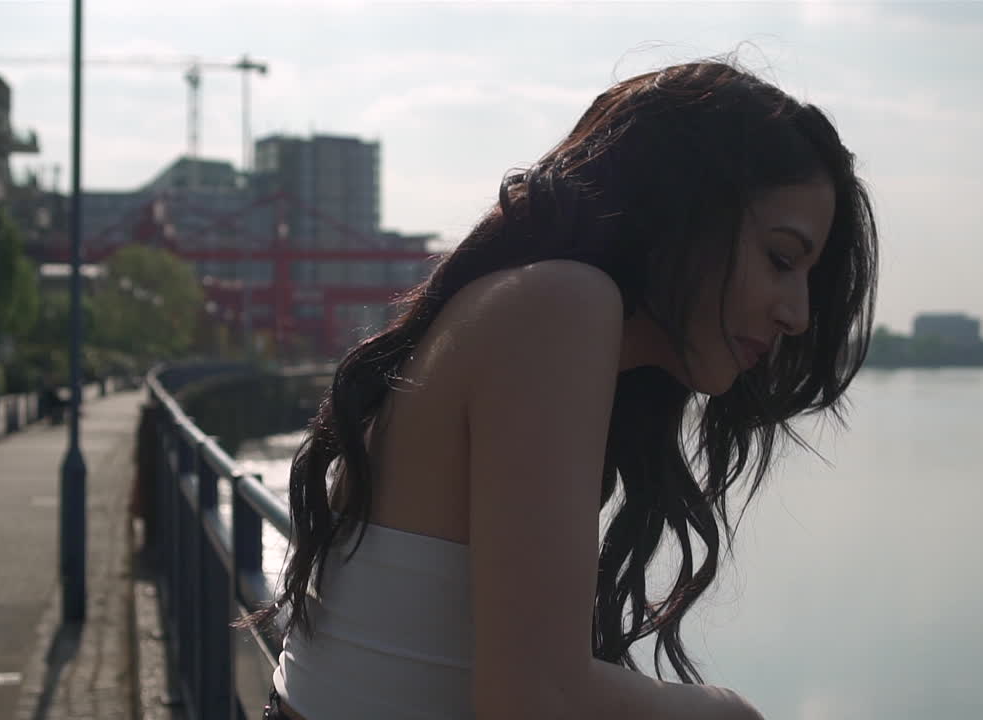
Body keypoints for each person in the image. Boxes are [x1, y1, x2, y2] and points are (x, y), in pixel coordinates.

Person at [250, 58, 878, 719]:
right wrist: (728, 712)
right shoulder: (559, 306)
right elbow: (534, 701)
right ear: (684, 210)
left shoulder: (544, 317)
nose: (798, 314)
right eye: (781, 259)